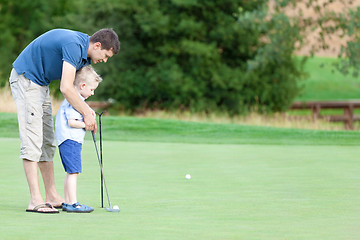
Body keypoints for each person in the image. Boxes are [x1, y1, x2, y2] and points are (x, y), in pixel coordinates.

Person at [9, 28, 120, 213]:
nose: (105, 60)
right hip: (26, 79)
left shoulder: (84, 55)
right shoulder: (75, 46)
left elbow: (79, 87)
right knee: (33, 139)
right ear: (98, 45)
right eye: (106, 55)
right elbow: (66, 88)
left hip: (40, 84)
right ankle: (35, 200)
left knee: (47, 142)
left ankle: (52, 195)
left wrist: (86, 111)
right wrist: (87, 112)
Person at [55, 66, 102, 213]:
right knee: (73, 172)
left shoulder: (77, 100)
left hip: (70, 141)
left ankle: (68, 202)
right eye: (92, 89)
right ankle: (73, 203)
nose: (92, 93)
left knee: (71, 172)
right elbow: (72, 122)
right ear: (82, 86)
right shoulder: (73, 101)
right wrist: (86, 124)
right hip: (70, 140)